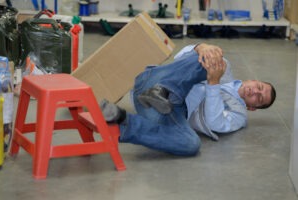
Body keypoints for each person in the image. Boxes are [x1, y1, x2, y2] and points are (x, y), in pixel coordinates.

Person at [100, 43, 276, 156]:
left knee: (190, 144)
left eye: (259, 99)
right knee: (214, 58)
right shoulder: (225, 67)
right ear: (253, 79)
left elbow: (215, 124)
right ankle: (162, 90)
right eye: (259, 87)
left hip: (166, 111)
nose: (255, 92)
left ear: (253, 108)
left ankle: (122, 122)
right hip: (153, 80)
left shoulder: (239, 115)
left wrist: (213, 83)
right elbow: (181, 58)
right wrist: (201, 47)